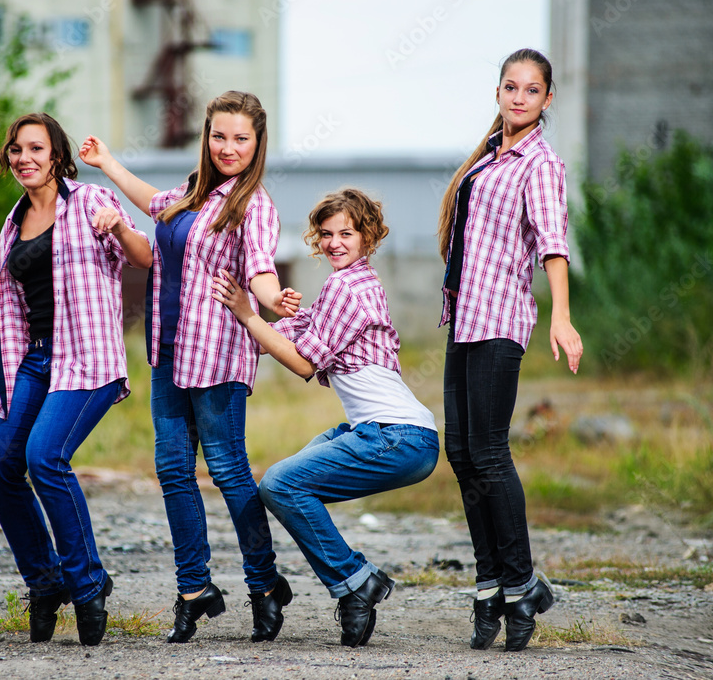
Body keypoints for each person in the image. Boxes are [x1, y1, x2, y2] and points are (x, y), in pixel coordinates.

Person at [79, 90, 302, 643]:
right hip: (169, 351)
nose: (228, 147)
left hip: (218, 355)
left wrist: (273, 301)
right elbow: (153, 203)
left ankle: (264, 584)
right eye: (219, 136)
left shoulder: (253, 205)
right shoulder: (191, 192)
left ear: (257, 143)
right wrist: (108, 164)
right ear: (207, 136)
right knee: (173, 471)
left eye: (241, 139)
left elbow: (260, 270)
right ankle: (193, 590)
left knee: (228, 471)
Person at [213, 188, 440, 647]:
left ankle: (356, 580)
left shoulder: (347, 288)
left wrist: (245, 312)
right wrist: (257, 316)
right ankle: (353, 589)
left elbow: (302, 363)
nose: (335, 242)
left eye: (347, 234)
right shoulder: (347, 286)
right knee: (283, 488)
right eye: (327, 234)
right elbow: (281, 335)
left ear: (368, 237)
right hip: (383, 433)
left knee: (281, 484)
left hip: (397, 435)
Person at [0, 112, 152, 647]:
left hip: (87, 359)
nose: (24, 158)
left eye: (35, 148)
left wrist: (120, 226)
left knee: (45, 458)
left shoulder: (90, 201)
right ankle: (46, 583)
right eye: (16, 150)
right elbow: (35, 291)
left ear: (57, 156)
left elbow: (143, 256)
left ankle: (88, 584)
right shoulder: (12, 223)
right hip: (36, 360)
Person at [436, 48, 583, 652]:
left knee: (490, 453)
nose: (519, 98)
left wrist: (562, 316)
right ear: (498, 92)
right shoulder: (486, 157)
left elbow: (553, 244)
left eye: (531, 90)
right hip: (463, 320)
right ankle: (490, 581)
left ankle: (521, 585)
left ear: (547, 98)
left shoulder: (540, 164)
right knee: (461, 451)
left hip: (499, 320)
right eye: (510, 87)